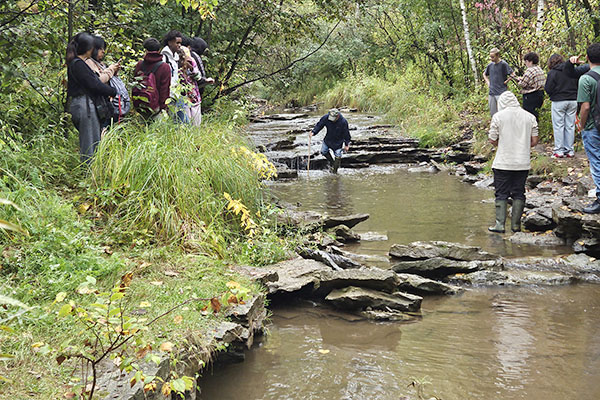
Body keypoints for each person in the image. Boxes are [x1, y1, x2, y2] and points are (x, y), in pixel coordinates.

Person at [488, 91, 539, 233]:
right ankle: (516, 226)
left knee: (501, 193)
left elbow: (492, 139)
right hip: (522, 163)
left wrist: (502, 143)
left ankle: (499, 225)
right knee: (518, 192)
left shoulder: (498, 117)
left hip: (503, 162)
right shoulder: (530, 117)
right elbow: (534, 141)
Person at [66, 32, 117, 164]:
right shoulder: (78, 64)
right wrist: (112, 91)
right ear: (89, 49)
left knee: (94, 139)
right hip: (85, 105)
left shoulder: (77, 63)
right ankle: (88, 174)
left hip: (83, 104)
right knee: (90, 142)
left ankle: (91, 173)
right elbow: (94, 84)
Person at [576, 43, 600, 214]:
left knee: (596, 161)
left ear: (587, 58)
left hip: (593, 125)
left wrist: (582, 126)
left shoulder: (586, 79)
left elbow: (585, 107)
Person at [544, 54, 578, 158]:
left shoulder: (552, 73)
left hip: (559, 101)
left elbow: (548, 88)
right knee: (570, 125)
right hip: (573, 100)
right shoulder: (571, 70)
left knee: (558, 125)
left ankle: (559, 150)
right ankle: (570, 150)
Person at [133, 38, 171, 116]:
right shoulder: (164, 67)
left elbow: (135, 84)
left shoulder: (139, 64)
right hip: (156, 108)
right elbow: (165, 89)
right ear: (159, 50)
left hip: (140, 106)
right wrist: (163, 107)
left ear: (146, 50)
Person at [310, 109, 351, 174]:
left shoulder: (343, 122)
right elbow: (319, 125)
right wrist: (313, 132)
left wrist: (346, 144)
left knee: (338, 156)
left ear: (337, 116)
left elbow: (346, 134)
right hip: (328, 140)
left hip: (338, 142)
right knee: (323, 151)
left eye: (333, 118)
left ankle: (334, 172)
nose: (332, 119)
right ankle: (332, 162)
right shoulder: (326, 118)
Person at [161, 30, 188, 123]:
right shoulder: (164, 58)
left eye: (180, 43)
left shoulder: (175, 58)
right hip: (169, 95)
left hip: (177, 93)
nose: (179, 45)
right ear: (170, 42)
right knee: (178, 121)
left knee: (183, 120)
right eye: (177, 43)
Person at [510, 52, 545, 121]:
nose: (525, 63)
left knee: (528, 115)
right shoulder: (539, 69)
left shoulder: (530, 70)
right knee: (535, 114)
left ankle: (529, 130)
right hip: (540, 93)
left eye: (526, 61)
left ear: (530, 61)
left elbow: (523, 84)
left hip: (531, 96)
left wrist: (518, 80)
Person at [483, 48, 515, 116]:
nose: (491, 58)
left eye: (493, 57)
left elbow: (513, 74)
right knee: (493, 113)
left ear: (497, 56)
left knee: (502, 112)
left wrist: (506, 81)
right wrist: (488, 82)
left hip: (501, 92)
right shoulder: (490, 65)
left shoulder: (503, 64)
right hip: (492, 92)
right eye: (490, 57)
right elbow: (484, 74)